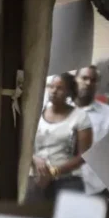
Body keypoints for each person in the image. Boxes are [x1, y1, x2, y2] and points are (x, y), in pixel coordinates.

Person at [28, 73, 94, 202]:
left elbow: (84, 155)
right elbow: (24, 145)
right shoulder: (37, 112)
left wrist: (54, 172)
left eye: (59, 88)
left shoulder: (80, 117)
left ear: (69, 92)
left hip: (67, 180)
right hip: (36, 177)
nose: (53, 91)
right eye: (51, 87)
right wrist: (34, 158)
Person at [75, 65, 109, 198]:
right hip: (59, 182)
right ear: (75, 80)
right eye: (84, 78)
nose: (88, 83)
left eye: (93, 80)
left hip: (94, 188)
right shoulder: (60, 109)